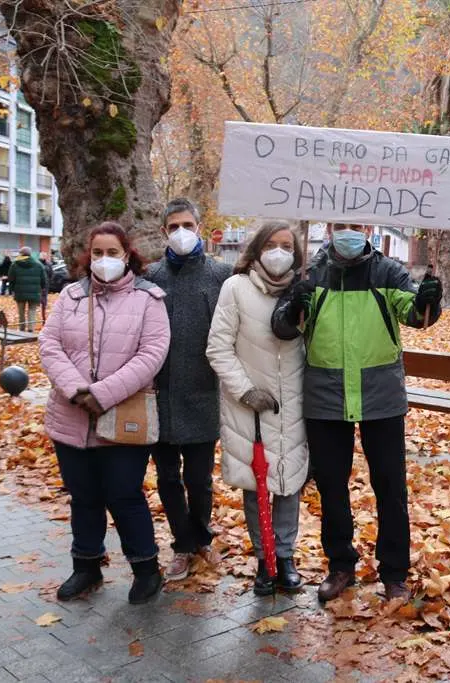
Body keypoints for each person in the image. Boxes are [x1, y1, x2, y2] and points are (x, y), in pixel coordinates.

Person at [272, 223, 443, 602]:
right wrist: (295, 305)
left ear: (367, 227)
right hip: (326, 398)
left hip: (380, 397)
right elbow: (283, 328)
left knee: (390, 487)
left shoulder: (388, 271)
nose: (348, 231)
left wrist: (429, 298)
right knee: (332, 487)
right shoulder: (311, 274)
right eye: (341, 225)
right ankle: (340, 564)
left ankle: (394, 571)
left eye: (355, 225)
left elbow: (418, 315)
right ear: (330, 228)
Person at [38, 221, 171, 605]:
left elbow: (152, 354)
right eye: (97, 252)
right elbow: (49, 345)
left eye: (112, 252)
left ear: (127, 254)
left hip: (123, 415)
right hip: (71, 416)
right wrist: (76, 390)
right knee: (83, 496)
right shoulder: (71, 296)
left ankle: (146, 568)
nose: (104, 259)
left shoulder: (149, 299)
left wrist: (103, 393)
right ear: (87, 256)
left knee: (124, 494)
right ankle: (86, 566)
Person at [207, 222, 308, 596]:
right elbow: (218, 347)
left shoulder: (304, 291)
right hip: (250, 406)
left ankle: (285, 557)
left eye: (286, 246)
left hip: (293, 405)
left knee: (289, 483)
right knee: (256, 484)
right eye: (271, 244)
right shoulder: (235, 289)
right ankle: (264, 558)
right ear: (257, 249)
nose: (279, 252)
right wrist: (245, 390)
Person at [144, 198, 233, 582]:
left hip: (203, 393)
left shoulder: (221, 274)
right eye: (174, 225)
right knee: (166, 477)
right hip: (159, 395)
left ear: (199, 226)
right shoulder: (150, 277)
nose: (182, 232)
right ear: (164, 231)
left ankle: (200, 536)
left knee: (199, 479)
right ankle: (182, 545)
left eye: (188, 224)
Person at [8, 247, 47, 332]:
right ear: (30, 254)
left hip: (19, 292)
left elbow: (11, 279)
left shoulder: (14, 265)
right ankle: (30, 329)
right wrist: (41, 288)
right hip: (35, 293)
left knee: (21, 311)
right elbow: (44, 280)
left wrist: (12, 290)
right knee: (32, 310)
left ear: (21, 254)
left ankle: (22, 328)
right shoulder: (38, 264)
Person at [39, 252, 54, 323]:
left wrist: (48, 281)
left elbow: (51, 274)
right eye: (42, 255)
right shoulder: (37, 264)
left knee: (44, 301)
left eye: (45, 255)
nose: (44, 257)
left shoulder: (49, 264)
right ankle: (38, 317)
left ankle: (43, 317)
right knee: (37, 301)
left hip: (45, 285)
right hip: (38, 284)